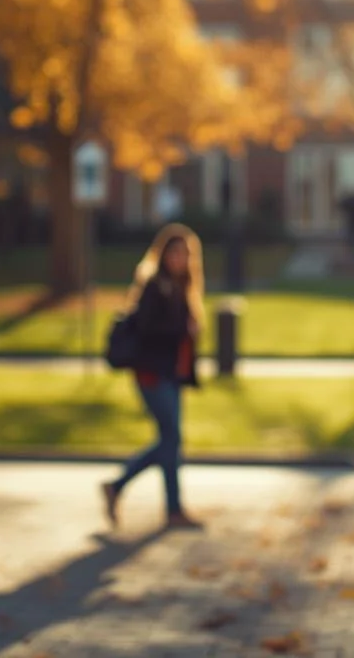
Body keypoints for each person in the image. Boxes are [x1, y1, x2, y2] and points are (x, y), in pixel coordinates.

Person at [101, 223, 205, 531]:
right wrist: (183, 330)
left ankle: (122, 488)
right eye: (174, 253)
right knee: (171, 439)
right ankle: (168, 507)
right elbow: (149, 331)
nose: (179, 259)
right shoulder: (155, 286)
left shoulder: (182, 287)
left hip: (171, 375)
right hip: (152, 374)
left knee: (170, 441)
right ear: (162, 255)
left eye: (184, 254)